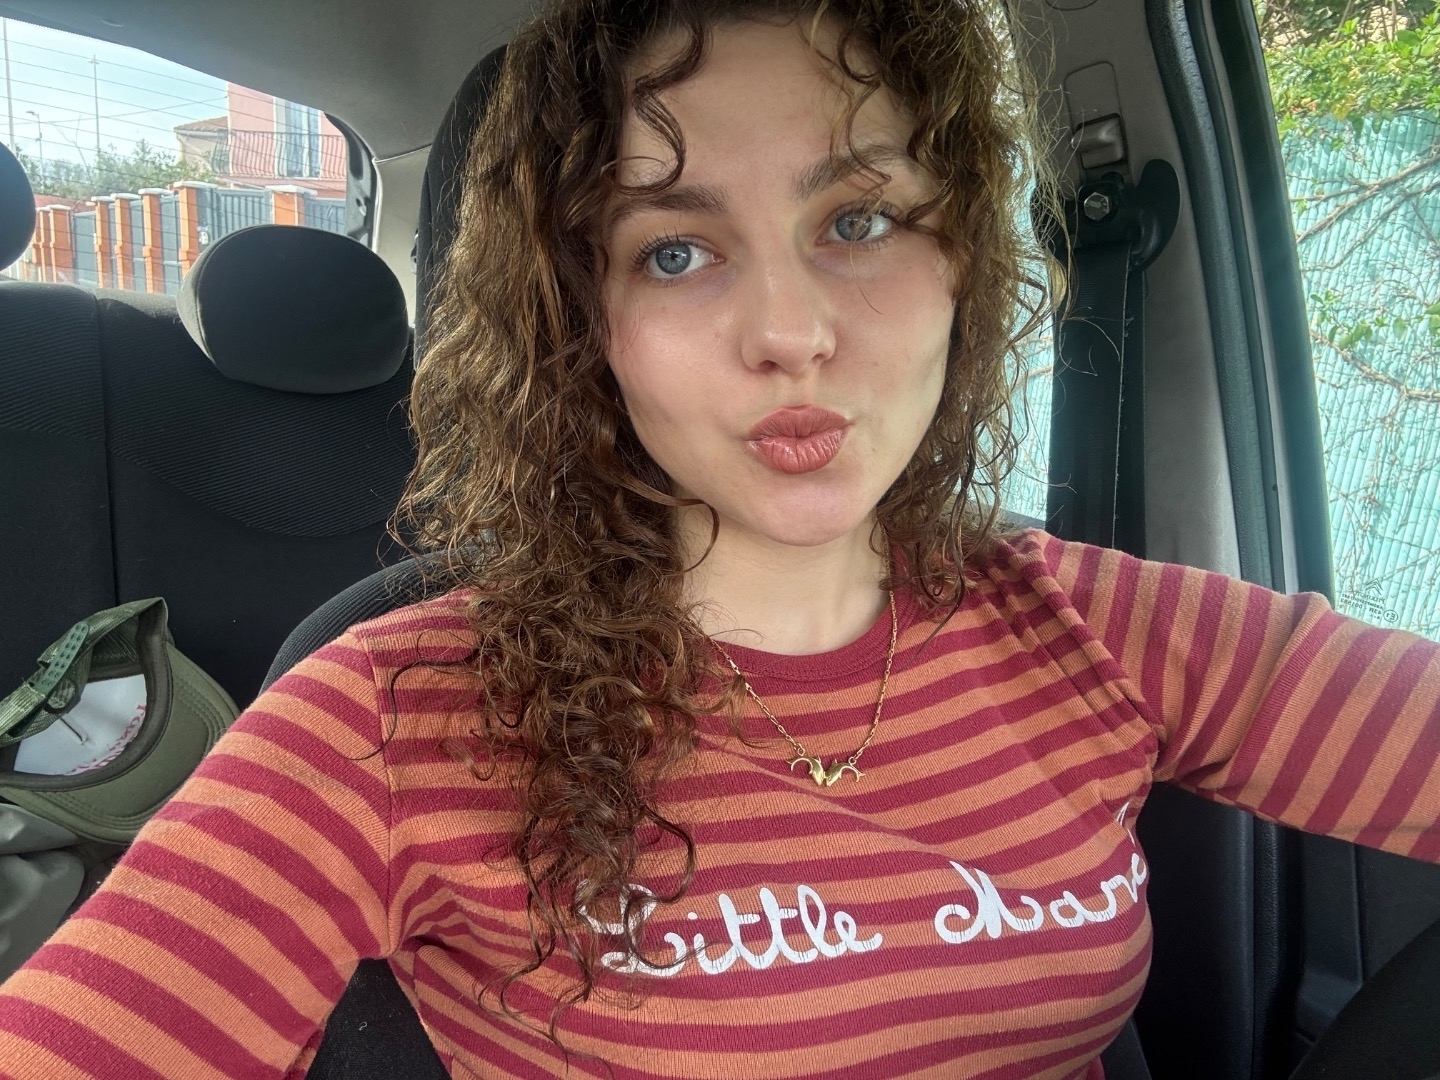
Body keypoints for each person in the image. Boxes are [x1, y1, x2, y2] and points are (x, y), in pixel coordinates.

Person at [1, 0, 1437, 1077]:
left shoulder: (1099, 623)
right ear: (585, 322)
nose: (790, 333)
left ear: (963, 258)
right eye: (675, 251)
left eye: (860, 220)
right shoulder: (399, 718)